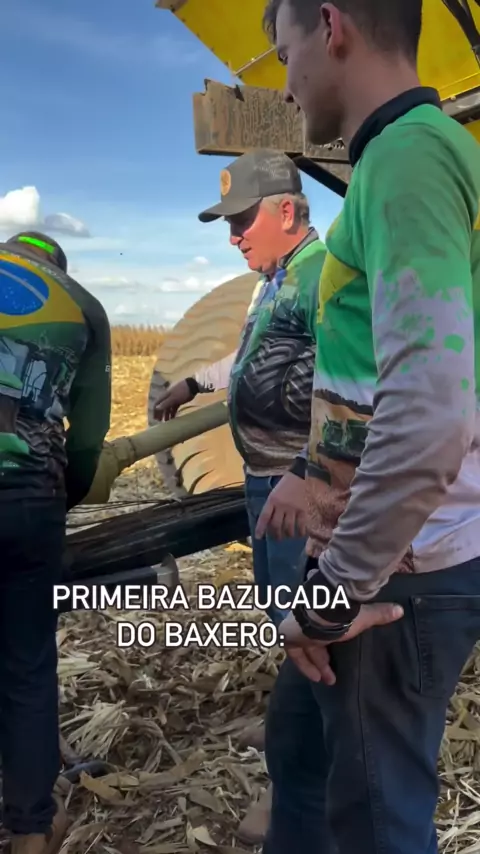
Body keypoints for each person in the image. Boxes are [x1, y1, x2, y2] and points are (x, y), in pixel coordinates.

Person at [256, 1, 480, 853]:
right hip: (382, 551)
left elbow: (427, 412)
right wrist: (311, 469)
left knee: (376, 822)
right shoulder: (410, 157)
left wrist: (333, 595)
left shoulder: (408, 157)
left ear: (331, 24)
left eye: (286, 54)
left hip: (396, 572)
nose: (285, 85)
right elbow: (381, 380)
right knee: (300, 751)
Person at [154, 149, 326, 842]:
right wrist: (195, 381)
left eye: (241, 221)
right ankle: (289, 721)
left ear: (286, 210)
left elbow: (357, 386)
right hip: (267, 480)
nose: (232, 237)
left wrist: (308, 471)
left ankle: (295, 786)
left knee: (309, 629)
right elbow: (253, 356)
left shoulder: (324, 276)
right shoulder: (273, 280)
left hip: (300, 487)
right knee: (281, 611)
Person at [0, 231, 112, 854]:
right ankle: (31, 831)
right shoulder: (83, 305)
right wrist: (56, 502)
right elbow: (89, 438)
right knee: (26, 667)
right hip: (27, 498)